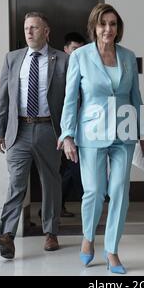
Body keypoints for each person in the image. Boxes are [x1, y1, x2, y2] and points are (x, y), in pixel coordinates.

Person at [57, 3, 144, 274]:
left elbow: (136, 97)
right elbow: (71, 98)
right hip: (91, 133)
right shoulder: (80, 56)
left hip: (124, 133)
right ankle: (88, 238)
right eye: (103, 24)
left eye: (113, 24)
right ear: (94, 28)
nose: (108, 29)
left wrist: (143, 132)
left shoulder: (128, 57)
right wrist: (67, 135)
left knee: (120, 191)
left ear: (118, 27)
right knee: (95, 192)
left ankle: (112, 250)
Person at [0, 12, 68, 259]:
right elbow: (3, 99)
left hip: (49, 130)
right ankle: (7, 237)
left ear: (46, 31)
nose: (29, 32)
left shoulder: (63, 60)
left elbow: (71, 100)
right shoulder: (12, 59)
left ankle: (51, 231)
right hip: (19, 131)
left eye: (34, 27)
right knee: (16, 184)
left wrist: (68, 134)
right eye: (26, 28)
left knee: (50, 182)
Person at [60, 32, 86, 217]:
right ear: (66, 49)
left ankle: (58, 206)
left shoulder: (85, 68)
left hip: (80, 127)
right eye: (74, 49)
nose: (78, 53)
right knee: (69, 169)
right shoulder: (60, 70)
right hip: (61, 127)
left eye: (81, 49)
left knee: (70, 168)